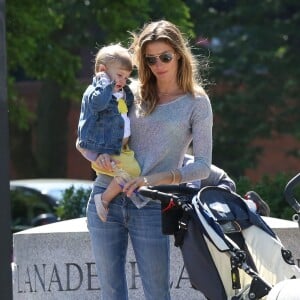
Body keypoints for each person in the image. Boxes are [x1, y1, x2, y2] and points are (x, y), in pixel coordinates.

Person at [86, 20, 213, 300]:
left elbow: (202, 166)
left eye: (165, 56)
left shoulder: (196, 102)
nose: (158, 64)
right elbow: (90, 129)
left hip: (151, 204)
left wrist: (152, 180)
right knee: (111, 293)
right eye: (150, 58)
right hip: (105, 197)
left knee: (157, 294)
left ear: (179, 54)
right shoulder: (128, 91)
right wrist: (99, 152)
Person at [76, 43, 141, 222]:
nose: (122, 81)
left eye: (126, 77)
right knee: (134, 172)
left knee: (131, 174)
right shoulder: (96, 92)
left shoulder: (120, 92)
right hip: (105, 148)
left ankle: (126, 195)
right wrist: (104, 82)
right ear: (102, 70)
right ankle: (103, 199)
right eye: (119, 75)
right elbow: (97, 105)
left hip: (119, 148)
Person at [184, 155, 271, 216]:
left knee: (216, 206)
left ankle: (253, 204)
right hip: (204, 191)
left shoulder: (187, 163)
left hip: (223, 182)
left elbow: (192, 187)